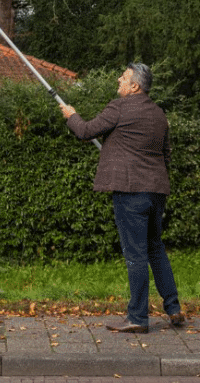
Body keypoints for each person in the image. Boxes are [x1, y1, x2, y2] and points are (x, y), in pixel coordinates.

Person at [60, 63, 184, 334]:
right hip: (156, 191)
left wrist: (71, 115)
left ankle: (138, 317)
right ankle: (173, 307)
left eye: (124, 77)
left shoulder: (120, 107)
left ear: (135, 86)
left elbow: (85, 131)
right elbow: (166, 154)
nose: (119, 79)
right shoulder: (159, 114)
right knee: (155, 248)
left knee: (136, 254)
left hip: (130, 192)